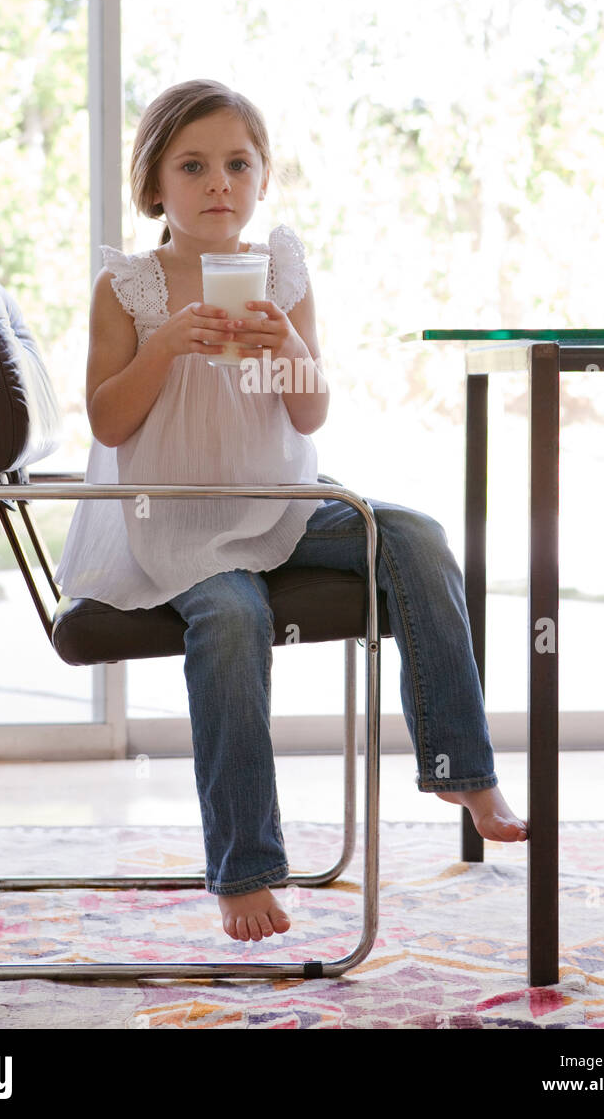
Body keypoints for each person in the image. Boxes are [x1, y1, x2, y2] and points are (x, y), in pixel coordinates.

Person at [55, 77, 528, 945]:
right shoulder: (130, 287)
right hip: (183, 527)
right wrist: (165, 345)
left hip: (284, 504)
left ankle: (459, 763)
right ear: (155, 185)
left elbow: (307, 414)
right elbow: (108, 422)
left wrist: (291, 347)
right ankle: (244, 869)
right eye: (192, 166)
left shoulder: (279, 270)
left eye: (238, 164)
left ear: (263, 179)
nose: (218, 184)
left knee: (413, 533)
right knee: (232, 621)